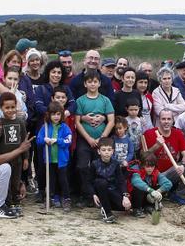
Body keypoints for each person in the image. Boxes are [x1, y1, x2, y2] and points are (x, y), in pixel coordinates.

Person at [73, 70, 115, 203]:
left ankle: (100, 194)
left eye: (95, 82)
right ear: (85, 84)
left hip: (101, 141)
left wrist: (102, 138)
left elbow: (111, 121)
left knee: (100, 167)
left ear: (99, 83)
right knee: (82, 166)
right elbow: (77, 122)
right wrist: (89, 138)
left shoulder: (105, 100)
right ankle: (86, 195)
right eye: (89, 82)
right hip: (85, 140)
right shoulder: (80, 101)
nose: (92, 84)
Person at [142, 109, 185, 203]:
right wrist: (156, 146)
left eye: (169, 119)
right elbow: (143, 156)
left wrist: (183, 166)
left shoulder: (177, 133)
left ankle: (179, 195)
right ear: (159, 120)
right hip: (155, 175)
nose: (166, 122)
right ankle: (161, 192)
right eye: (163, 119)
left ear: (173, 120)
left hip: (171, 173)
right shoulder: (149, 133)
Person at [0, 91, 30, 214]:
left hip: (18, 160)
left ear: (17, 106)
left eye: (13, 107)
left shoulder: (20, 122)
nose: (10, 110)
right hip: (4, 160)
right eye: (7, 108)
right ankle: (7, 202)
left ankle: (16, 201)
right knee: (6, 183)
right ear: (1, 108)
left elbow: (24, 141)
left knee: (16, 181)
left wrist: (26, 158)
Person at [36, 101, 73, 211]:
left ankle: (66, 199)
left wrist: (57, 141)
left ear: (61, 115)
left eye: (58, 114)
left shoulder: (65, 127)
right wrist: (44, 140)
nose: (56, 117)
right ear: (49, 115)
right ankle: (53, 198)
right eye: (53, 114)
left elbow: (68, 141)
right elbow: (38, 140)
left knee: (63, 180)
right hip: (49, 159)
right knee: (51, 180)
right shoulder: (45, 127)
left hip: (61, 160)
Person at [85, 137, 130, 223]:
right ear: (99, 151)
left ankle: (104, 206)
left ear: (113, 151)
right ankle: (107, 213)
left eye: (109, 150)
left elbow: (121, 181)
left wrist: (125, 196)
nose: (106, 152)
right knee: (101, 182)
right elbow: (88, 181)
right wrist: (93, 194)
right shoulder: (94, 164)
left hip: (112, 190)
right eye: (104, 150)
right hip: (99, 190)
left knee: (124, 207)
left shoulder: (116, 164)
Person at [129, 150, 173, 217]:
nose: (150, 169)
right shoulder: (135, 169)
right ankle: (136, 209)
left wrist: (158, 191)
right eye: (147, 166)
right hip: (134, 197)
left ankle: (148, 206)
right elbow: (136, 182)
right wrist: (151, 190)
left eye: (152, 166)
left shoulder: (156, 172)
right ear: (142, 164)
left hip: (147, 195)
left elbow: (168, 183)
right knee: (138, 188)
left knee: (161, 188)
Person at [31, 61, 73, 130]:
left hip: (62, 128)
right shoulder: (40, 89)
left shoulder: (66, 88)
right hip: (44, 128)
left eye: (59, 72)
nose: (56, 75)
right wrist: (56, 114)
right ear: (48, 73)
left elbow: (73, 104)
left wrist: (67, 112)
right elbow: (39, 107)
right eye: (53, 72)